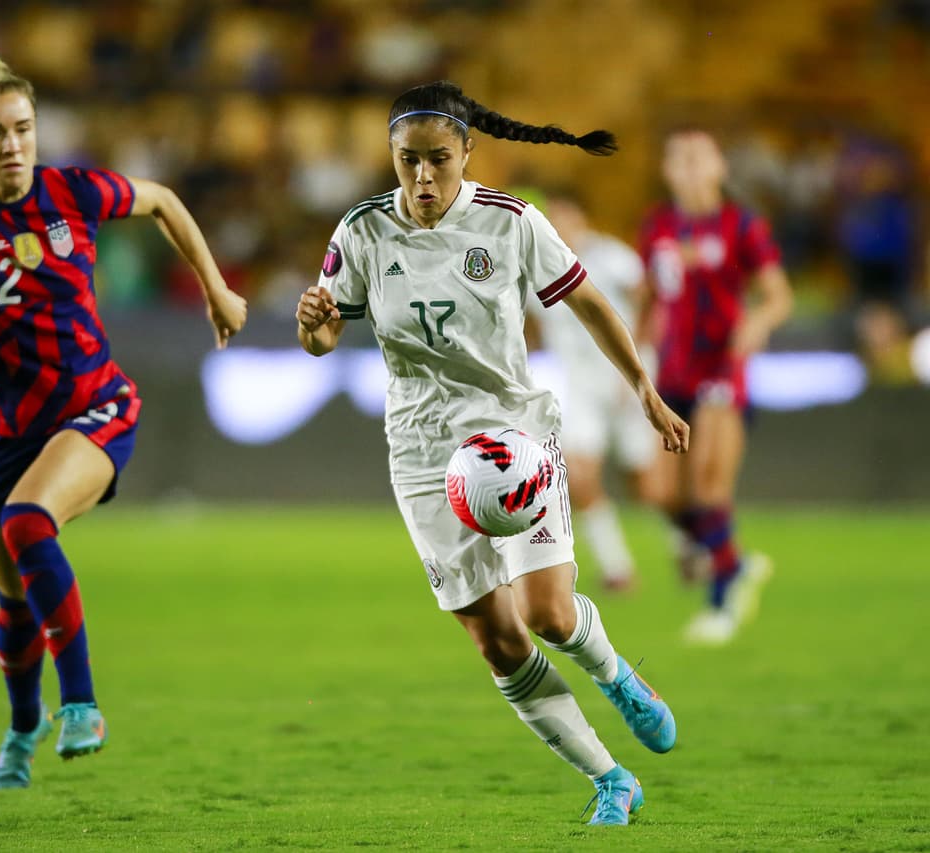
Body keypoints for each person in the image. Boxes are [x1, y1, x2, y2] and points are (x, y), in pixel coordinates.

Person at [295, 81, 689, 827]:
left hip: (511, 432)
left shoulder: (511, 223)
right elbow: (322, 339)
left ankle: (619, 674)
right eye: (407, 161)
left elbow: (592, 302)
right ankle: (610, 778)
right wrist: (312, 324)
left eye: (438, 160)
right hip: (419, 450)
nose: (421, 178)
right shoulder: (361, 231)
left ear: (468, 154)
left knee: (546, 611)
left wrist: (642, 387)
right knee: (496, 638)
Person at [0, 42, 247, 790]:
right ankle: (23, 726)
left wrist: (214, 287)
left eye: (21, 127)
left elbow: (164, 202)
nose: (11, 143)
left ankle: (81, 703)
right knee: (12, 597)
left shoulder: (73, 192)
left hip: (95, 406)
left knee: (26, 525)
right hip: (4, 432)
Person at [638, 129, 793, 646]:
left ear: (719, 167)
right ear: (667, 171)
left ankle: (722, 602)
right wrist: (636, 354)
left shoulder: (742, 226)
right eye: (678, 158)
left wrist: (757, 323)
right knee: (660, 492)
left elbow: (777, 295)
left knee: (708, 489)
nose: (689, 167)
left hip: (722, 371)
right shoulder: (659, 227)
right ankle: (736, 562)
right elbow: (650, 297)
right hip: (673, 373)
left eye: (699, 157)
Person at [532, 187, 659, 592]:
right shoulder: (537, 268)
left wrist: (637, 369)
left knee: (645, 483)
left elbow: (650, 302)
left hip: (628, 377)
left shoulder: (611, 257)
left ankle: (691, 546)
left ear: (581, 216)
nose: (556, 223)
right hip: (580, 385)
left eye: (561, 213)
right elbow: (529, 326)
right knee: (578, 474)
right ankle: (617, 568)